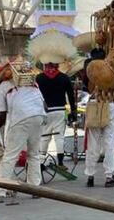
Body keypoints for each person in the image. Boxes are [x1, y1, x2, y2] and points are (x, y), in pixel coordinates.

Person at [0, 63, 47, 205]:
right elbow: (45, 106)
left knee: (9, 156)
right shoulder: (33, 84)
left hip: (21, 119)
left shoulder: (2, 87)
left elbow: (1, 116)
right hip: (39, 116)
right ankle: (35, 190)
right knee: (34, 154)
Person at [31, 31, 78, 168]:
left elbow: (35, 95)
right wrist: (73, 112)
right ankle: (61, 162)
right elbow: (70, 96)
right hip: (59, 110)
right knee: (59, 137)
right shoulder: (64, 78)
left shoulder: (39, 78)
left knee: (44, 136)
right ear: (57, 64)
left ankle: (40, 161)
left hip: (45, 111)